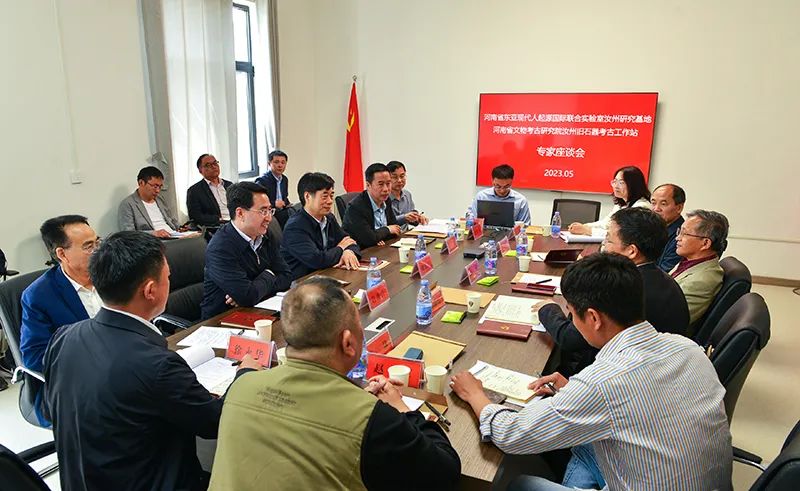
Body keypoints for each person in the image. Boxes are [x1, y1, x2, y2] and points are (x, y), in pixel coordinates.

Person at [451, 253, 732, 491]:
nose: (572, 321)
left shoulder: (602, 383)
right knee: (583, 446)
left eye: (572, 314)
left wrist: (475, 394)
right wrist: (573, 391)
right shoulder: (687, 347)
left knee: (521, 484)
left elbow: (511, 435)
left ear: (594, 318)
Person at [43, 231, 259, 491]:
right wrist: (245, 374)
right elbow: (215, 422)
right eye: (168, 277)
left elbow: (52, 409)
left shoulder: (63, 337)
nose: (170, 282)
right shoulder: (158, 366)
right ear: (150, 290)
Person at [209, 276, 461, 490]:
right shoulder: (373, 420)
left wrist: (356, 399)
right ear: (348, 343)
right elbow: (446, 473)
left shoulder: (241, 385)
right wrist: (401, 408)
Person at [537, 207, 691, 377]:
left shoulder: (621, 288)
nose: (603, 246)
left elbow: (570, 338)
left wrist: (547, 309)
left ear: (631, 251)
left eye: (608, 240)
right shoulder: (663, 279)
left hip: (618, 374)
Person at [20, 215, 102, 425]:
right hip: (74, 383)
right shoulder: (38, 296)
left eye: (98, 242)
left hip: (124, 365)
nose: (98, 251)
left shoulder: (110, 275)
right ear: (62, 254)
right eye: (88, 246)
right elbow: (34, 356)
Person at [200, 182, 292, 319]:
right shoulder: (220, 248)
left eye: (270, 210)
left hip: (257, 309)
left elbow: (286, 276)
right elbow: (247, 296)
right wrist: (270, 274)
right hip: (222, 320)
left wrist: (254, 290)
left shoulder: (265, 235)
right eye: (263, 211)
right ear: (240, 213)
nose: (269, 218)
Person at [281, 172, 361, 280]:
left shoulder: (329, 218)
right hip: (301, 282)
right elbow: (317, 260)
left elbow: (349, 241)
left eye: (331, 195)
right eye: (325, 196)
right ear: (307, 196)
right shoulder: (295, 227)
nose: (330, 201)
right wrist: (341, 248)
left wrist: (348, 251)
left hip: (326, 275)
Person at [671, 209, 729, 325]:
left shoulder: (701, 281)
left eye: (685, 234)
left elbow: (671, 319)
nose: (677, 238)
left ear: (705, 243)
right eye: (679, 232)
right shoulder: (690, 261)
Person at [568, 165, 650, 236]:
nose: (616, 186)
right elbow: (606, 224)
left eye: (621, 182)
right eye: (615, 181)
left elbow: (622, 236)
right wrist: (584, 226)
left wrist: (587, 230)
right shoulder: (621, 205)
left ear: (634, 185)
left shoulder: (641, 207)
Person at [342, 163, 402, 249]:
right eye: (381, 184)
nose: (386, 189)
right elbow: (368, 239)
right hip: (361, 252)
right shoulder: (355, 207)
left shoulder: (386, 200)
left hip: (381, 248)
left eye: (388, 183)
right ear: (368, 185)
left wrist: (378, 236)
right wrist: (387, 230)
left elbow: (395, 229)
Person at [118, 166, 183, 238]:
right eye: (155, 186)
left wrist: (182, 228)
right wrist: (153, 233)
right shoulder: (128, 204)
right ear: (141, 183)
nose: (158, 190)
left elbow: (171, 219)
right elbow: (128, 234)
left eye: (160, 187)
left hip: (174, 236)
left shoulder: (160, 199)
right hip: (154, 241)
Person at [186, 153, 233, 227]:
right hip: (217, 226)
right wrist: (219, 219)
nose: (213, 167)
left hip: (237, 223)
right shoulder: (194, 191)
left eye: (215, 163)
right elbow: (195, 216)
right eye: (208, 165)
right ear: (200, 170)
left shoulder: (229, 185)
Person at [651, 183, 686, 272]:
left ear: (679, 208)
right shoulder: (653, 227)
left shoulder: (681, 237)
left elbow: (663, 272)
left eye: (663, 204)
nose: (656, 209)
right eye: (653, 203)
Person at [255, 150, 293, 227]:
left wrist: (288, 203)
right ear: (269, 163)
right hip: (269, 213)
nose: (280, 165)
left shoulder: (284, 179)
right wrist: (274, 204)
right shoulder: (262, 181)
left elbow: (284, 197)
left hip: (282, 211)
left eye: (283, 162)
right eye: (276, 162)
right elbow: (257, 202)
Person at [387, 160, 428, 228]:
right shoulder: (383, 198)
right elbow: (386, 222)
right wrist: (404, 218)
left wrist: (418, 218)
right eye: (394, 177)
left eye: (402, 176)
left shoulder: (407, 194)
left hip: (406, 233)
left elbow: (411, 219)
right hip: (390, 234)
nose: (399, 180)